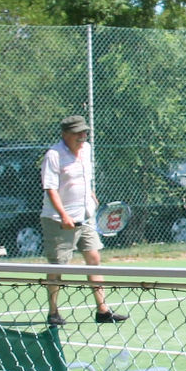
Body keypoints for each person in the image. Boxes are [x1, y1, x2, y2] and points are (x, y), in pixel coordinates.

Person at [41, 115, 125, 326]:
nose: (82, 136)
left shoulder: (86, 149)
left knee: (94, 260)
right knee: (58, 266)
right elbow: (50, 188)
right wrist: (64, 216)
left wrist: (91, 194)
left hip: (86, 218)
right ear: (65, 135)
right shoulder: (53, 155)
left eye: (84, 132)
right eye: (77, 133)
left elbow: (85, 177)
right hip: (58, 221)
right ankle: (53, 312)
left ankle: (103, 310)